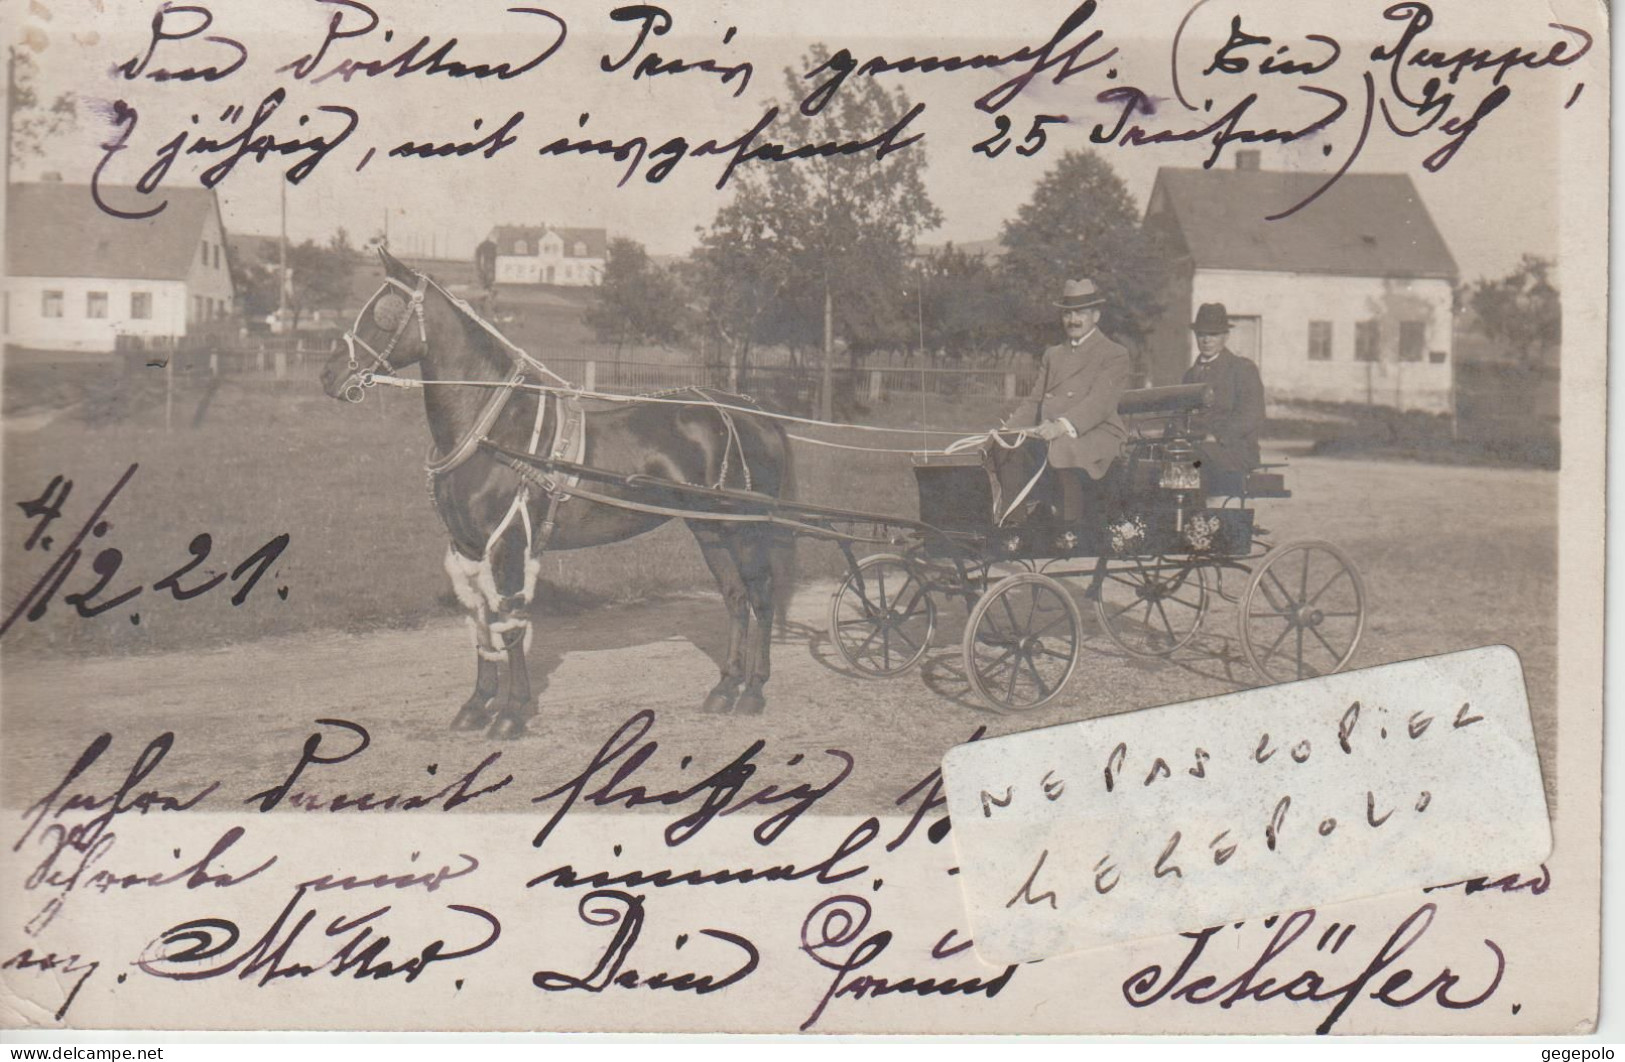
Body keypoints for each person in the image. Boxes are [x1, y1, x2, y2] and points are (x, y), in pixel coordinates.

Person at [1007, 278, 1131, 523]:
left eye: (1080, 314)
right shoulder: (1053, 354)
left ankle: (1070, 529)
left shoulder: (1114, 353)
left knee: (1061, 447)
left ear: (1095, 316)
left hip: (1098, 433)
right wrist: (1006, 430)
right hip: (1051, 431)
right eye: (1067, 314)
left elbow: (1099, 404)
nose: (1072, 320)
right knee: (1006, 449)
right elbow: (1034, 401)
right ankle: (1014, 528)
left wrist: (1061, 426)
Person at [1182, 302, 1265, 482]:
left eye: (1213, 334)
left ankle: (1193, 506)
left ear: (1225, 336)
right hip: (1197, 450)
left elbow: (1252, 414)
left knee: (1192, 461)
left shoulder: (1242, 369)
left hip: (1233, 452)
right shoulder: (1190, 375)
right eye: (1201, 334)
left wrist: (1218, 436)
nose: (1207, 340)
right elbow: (1180, 415)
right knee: (1152, 459)